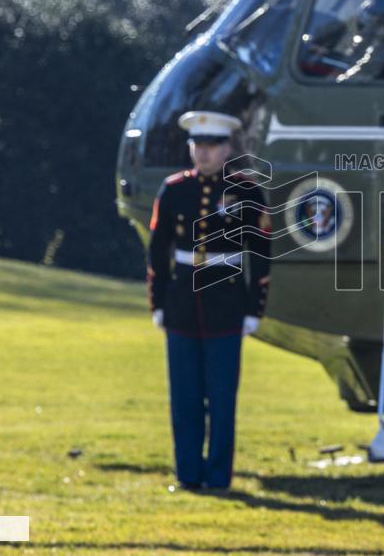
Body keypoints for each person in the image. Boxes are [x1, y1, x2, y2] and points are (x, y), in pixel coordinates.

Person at [146, 110, 271, 491]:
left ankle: (218, 477)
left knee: (220, 400)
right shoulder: (173, 189)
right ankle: (187, 475)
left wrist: (254, 307)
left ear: (227, 148)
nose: (203, 153)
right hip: (182, 301)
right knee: (184, 398)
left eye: (211, 145)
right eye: (197, 145)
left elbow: (262, 253)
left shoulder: (247, 191)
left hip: (226, 302)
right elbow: (158, 249)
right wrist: (158, 301)